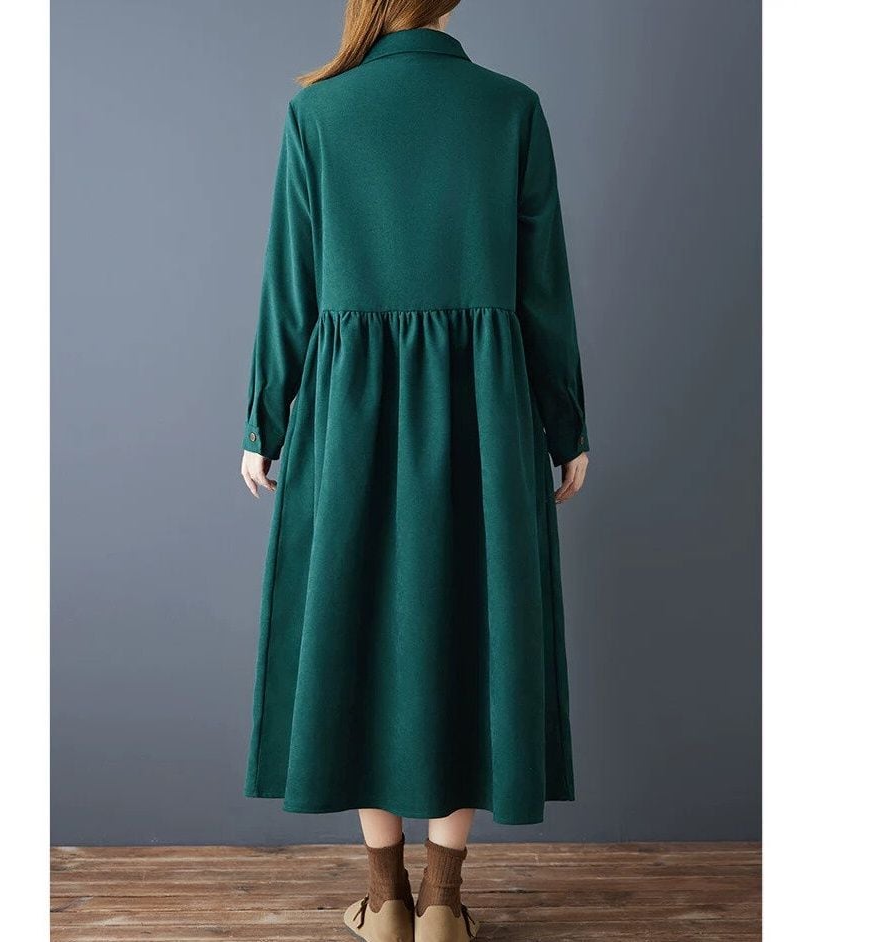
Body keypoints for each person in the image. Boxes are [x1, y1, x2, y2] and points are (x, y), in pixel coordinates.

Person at [240, 2, 589, 939]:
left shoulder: (318, 113)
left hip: (350, 410)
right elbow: (543, 289)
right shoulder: (510, 107)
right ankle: (444, 903)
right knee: (471, 624)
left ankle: (386, 900)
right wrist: (565, 424)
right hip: (484, 409)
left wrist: (264, 419)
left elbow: (290, 283)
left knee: (360, 621)